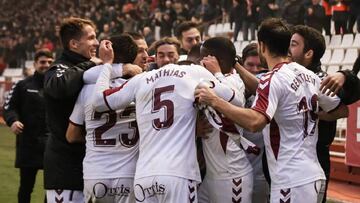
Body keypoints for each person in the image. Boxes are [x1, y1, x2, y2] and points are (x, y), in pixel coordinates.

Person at [195, 18, 349, 203]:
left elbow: (255, 122)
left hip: (290, 178)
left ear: (262, 46)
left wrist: (215, 101)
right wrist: (312, 112)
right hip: (314, 174)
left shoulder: (272, 79)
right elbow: (341, 110)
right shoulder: (309, 76)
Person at [91, 41, 243, 203]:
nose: (166, 58)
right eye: (162, 55)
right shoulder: (195, 72)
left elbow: (99, 102)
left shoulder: (141, 79)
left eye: (170, 55)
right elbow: (236, 100)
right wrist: (218, 73)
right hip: (179, 174)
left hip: (144, 177)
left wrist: (107, 65)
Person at [289, 25, 360, 202]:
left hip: (314, 158)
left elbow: (345, 106)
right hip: (286, 158)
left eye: (294, 44)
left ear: (308, 53)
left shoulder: (322, 80)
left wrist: (345, 75)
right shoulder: (285, 75)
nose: (288, 49)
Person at [66, 35, 139, 203]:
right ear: (132, 57)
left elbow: (71, 135)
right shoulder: (139, 85)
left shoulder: (87, 88)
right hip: (129, 173)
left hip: (96, 172)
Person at [43, 17, 102, 202]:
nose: (97, 42)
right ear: (74, 44)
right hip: (65, 169)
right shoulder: (59, 67)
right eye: (91, 37)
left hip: (88, 167)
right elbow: (57, 86)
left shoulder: (89, 69)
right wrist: (90, 64)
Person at [195, 37, 253, 203]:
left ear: (215, 60)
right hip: (211, 176)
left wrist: (216, 73)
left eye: (203, 57)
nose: (200, 62)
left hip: (232, 175)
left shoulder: (234, 79)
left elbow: (235, 100)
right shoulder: (209, 81)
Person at [3, 49, 53, 203]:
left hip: (52, 146)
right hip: (28, 144)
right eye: (43, 62)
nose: (46, 65)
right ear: (35, 63)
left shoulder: (57, 86)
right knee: (25, 187)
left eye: (50, 62)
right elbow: (9, 107)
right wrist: (13, 121)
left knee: (52, 188)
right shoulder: (22, 85)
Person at [240, 43, 270, 203]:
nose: (255, 70)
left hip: (260, 171)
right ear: (242, 65)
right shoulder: (230, 88)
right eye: (250, 65)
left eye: (260, 66)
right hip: (232, 168)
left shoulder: (271, 89)